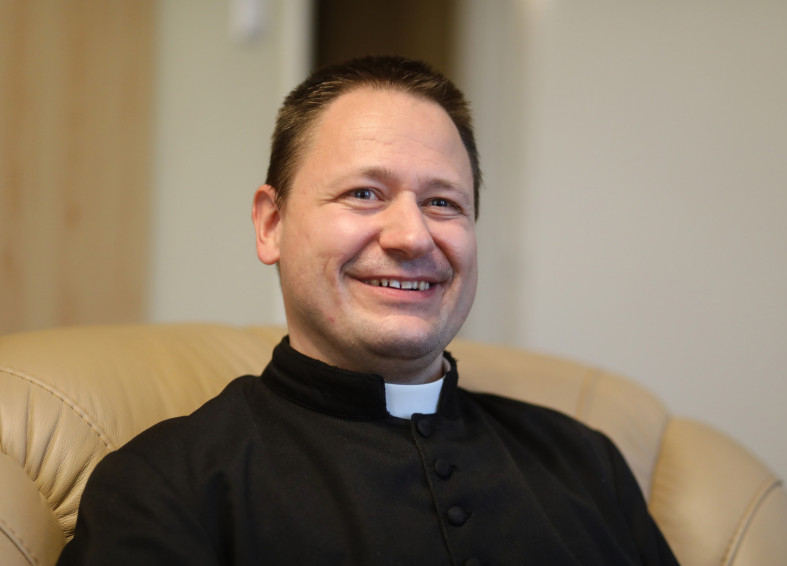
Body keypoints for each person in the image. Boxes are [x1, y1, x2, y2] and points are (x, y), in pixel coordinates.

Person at [57, 55, 679, 565]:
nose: (412, 236)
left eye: (443, 203)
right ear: (271, 225)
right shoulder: (163, 486)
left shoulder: (585, 462)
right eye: (364, 193)